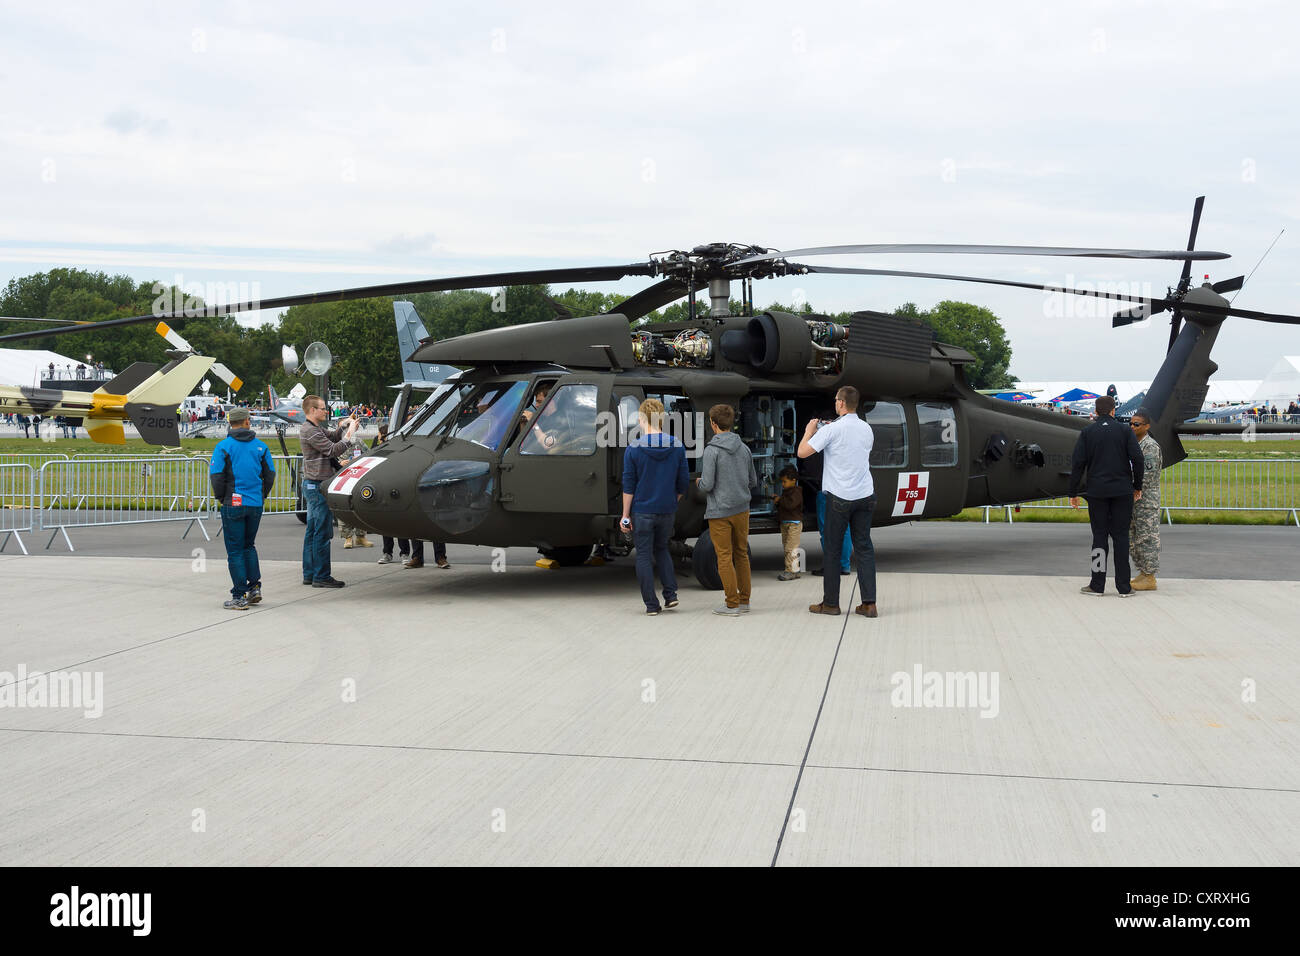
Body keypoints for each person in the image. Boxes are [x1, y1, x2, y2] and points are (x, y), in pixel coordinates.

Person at [798, 386, 878, 617]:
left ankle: (831, 604)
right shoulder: (866, 429)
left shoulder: (831, 431)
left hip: (839, 497)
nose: (835, 403)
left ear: (841, 403)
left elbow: (803, 452)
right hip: (865, 495)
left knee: (832, 550)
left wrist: (809, 430)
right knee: (864, 548)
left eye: (836, 400)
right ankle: (869, 603)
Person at [1069, 394, 1144, 596]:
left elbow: (1078, 464)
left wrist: (1072, 491)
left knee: (1099, 537)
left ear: (1095, 411)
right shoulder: (1124, 431)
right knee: (1121, 537)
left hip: (1097, 492)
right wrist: (1137, 485)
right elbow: (1137, 459)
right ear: (1113, 411)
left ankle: (1097, 584)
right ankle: (1124, 587)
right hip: (1122, 491)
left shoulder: (1087, 432)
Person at [621, 398, 689, 615]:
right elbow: (683, 483)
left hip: (642, 511)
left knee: (642, 555)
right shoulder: (677, 446)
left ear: (641, 419)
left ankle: (651, 605)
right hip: (667, 510)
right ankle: (671, 596)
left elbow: (628, 485)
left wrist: (625, 515)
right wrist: (672, 500)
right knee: (662, 549)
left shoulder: (633, 449)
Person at [209, 407, 276, 610]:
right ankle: (255, 587)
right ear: (247, 422)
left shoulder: (223, 447)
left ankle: (239, 595)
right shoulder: (261, 446)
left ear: (230, 423)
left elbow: (217, 476)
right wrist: (261, 494)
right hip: (255, 503)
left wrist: (222, 497)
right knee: (249, 545)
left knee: (235, 550)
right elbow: (270, 474)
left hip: (233, 503)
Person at [696, 403, 757, 617]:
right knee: (741, 554)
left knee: (724, 556)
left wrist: (698, 482)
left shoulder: (711, 451)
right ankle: (744, 601)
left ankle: (731, 604)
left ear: (713, 424)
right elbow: (753, 480)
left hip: (719, 512)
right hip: (742, 510)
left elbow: (708, 485)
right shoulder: (745, 449)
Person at [299, 394, 359, 588]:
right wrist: (350, 434)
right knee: (322, 532)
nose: (327, 411)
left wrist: (343, 425)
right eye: (323, 408)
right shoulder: (311, 431)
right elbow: (334, 449)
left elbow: (332, 436)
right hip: (317, 484)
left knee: (313, 531)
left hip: (313, 483)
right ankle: (321, 576)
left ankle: (310, 573)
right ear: (313, 410)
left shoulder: (314, 428)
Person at [1128, 408, 1162, 591]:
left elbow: (1147, 476)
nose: (1132, 427)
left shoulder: (1150, 446)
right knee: (1135, 538)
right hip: (1134, 500)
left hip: (1145, 500)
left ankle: (1149, 576)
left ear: (1147, 426)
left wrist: (1129, 488)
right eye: (1131, 423)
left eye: (1137, 424)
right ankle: (1142, 573)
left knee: (1147, 537)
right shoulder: (1134, 444)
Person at [774, 464, 804, 580]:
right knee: (787, 547)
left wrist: (780, 500)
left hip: (794, 524)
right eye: (782, 482)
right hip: (786, 523)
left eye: (785, 481)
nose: (783, 484)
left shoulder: (796, 492)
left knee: (790, 548)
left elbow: (791, 505)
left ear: (793, 480)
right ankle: (794, 569)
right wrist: (778, 501)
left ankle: (790, 571)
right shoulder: (787, 491)